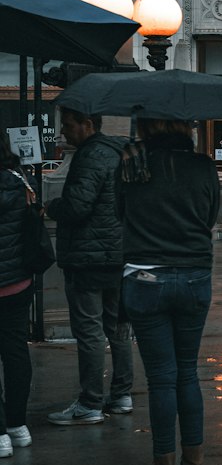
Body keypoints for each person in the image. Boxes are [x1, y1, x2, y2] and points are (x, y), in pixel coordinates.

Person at [118, 119, 220, 465]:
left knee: (162, 379)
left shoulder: (130, 165)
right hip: (194, 277)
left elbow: (118, 215)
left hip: (145, 279)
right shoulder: (204, 166)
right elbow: (210, 217)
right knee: (187, 372)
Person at [45, 110, 133, 426]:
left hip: (88, 257)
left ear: (88, 125)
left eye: (68, 126)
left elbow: (78, 206)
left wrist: (52, 206)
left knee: (90, 331)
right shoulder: (116, 151)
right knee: (118, 327)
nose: (63, 133)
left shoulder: (90, 156)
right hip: (116, 254)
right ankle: (122, 394)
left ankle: (90, 402)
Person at [0, 132, 34, 458]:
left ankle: (0, 435)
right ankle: (18, 425)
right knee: (16, 352)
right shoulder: (17, 179)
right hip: (17, 283)